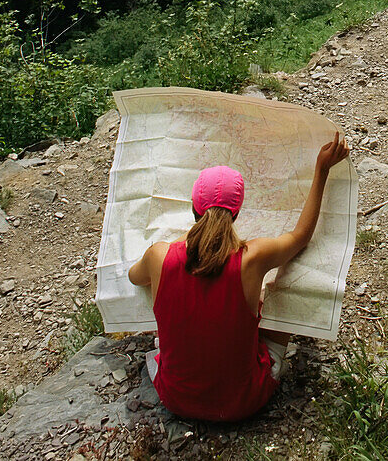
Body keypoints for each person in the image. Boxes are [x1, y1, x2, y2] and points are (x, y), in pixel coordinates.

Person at [128, 131, 349, 422]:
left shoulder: (159, 256)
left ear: (194, 207)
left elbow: (134, 277)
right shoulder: (252, 258)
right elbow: (300, 236)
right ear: (237, 212)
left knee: (172, 307)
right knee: (281, 287)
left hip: (175, 399)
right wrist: (321, 170)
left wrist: (189, 239)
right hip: (242, 403)